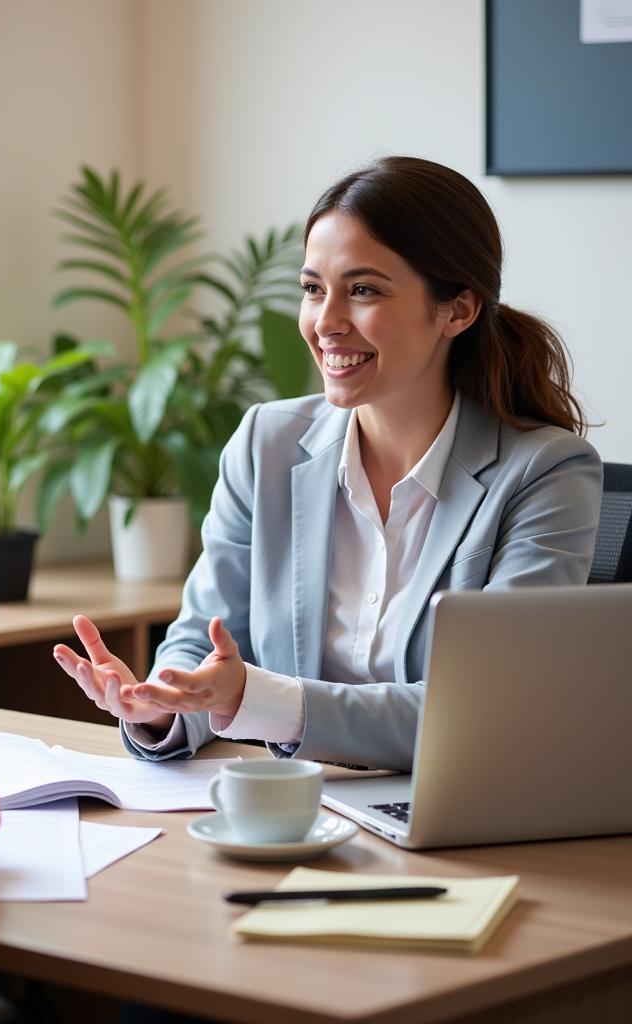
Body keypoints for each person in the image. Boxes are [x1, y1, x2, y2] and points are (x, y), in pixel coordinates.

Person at [53, 156, 602, 772]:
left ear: (458, 310)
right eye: (313, 289)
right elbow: (203, 641)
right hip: (292, 807)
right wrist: (157, 705)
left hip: (449, 821)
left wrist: (255, 698)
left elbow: (486, 712)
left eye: (363, 290)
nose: (326, 323)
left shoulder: (547, 472)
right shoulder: (267, 442)